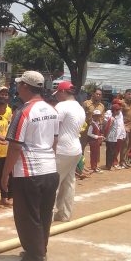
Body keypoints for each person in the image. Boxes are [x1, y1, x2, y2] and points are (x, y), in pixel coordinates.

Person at [0, 70, 59, 261]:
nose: (17, 88)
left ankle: (34, 259)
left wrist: (5, 173)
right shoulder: (52, 110)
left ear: (25, 86)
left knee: (27, 217)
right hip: (50, 169)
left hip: (29, 171)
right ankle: (40, 251)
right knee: (43, 214)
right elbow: (55, 140)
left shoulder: (23, 112)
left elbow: (15, 146)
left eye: (19, 84)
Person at [52, 81, 85, 222]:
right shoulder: (79, 107)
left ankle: (47, 215)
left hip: (62, 149)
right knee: (69, 182)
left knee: (53, 183)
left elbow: (54, 129)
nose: (57, 96)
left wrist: (51, 149)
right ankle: (64, 214)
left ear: (63, 92)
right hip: (75, 148)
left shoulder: (62, 106)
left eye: (58, 93)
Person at [120, 90, 131, 167]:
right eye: (129, 94)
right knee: (125, 144)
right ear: (125, 95)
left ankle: (126, 160)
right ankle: (121, 161)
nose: (130, 96)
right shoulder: (122, 103)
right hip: (124, 126)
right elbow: (119, 115)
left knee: (130, 144)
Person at [104, 104, 122, 170]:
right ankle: (108, 166)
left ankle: (110, 164)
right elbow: (107, 127)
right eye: (118, 110)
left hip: (113, 138)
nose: (119, 111)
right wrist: (105, 136)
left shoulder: (115, 118)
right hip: (110, 138)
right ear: (114, 111)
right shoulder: (111, 119)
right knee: (110, 152)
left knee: (112, 152)